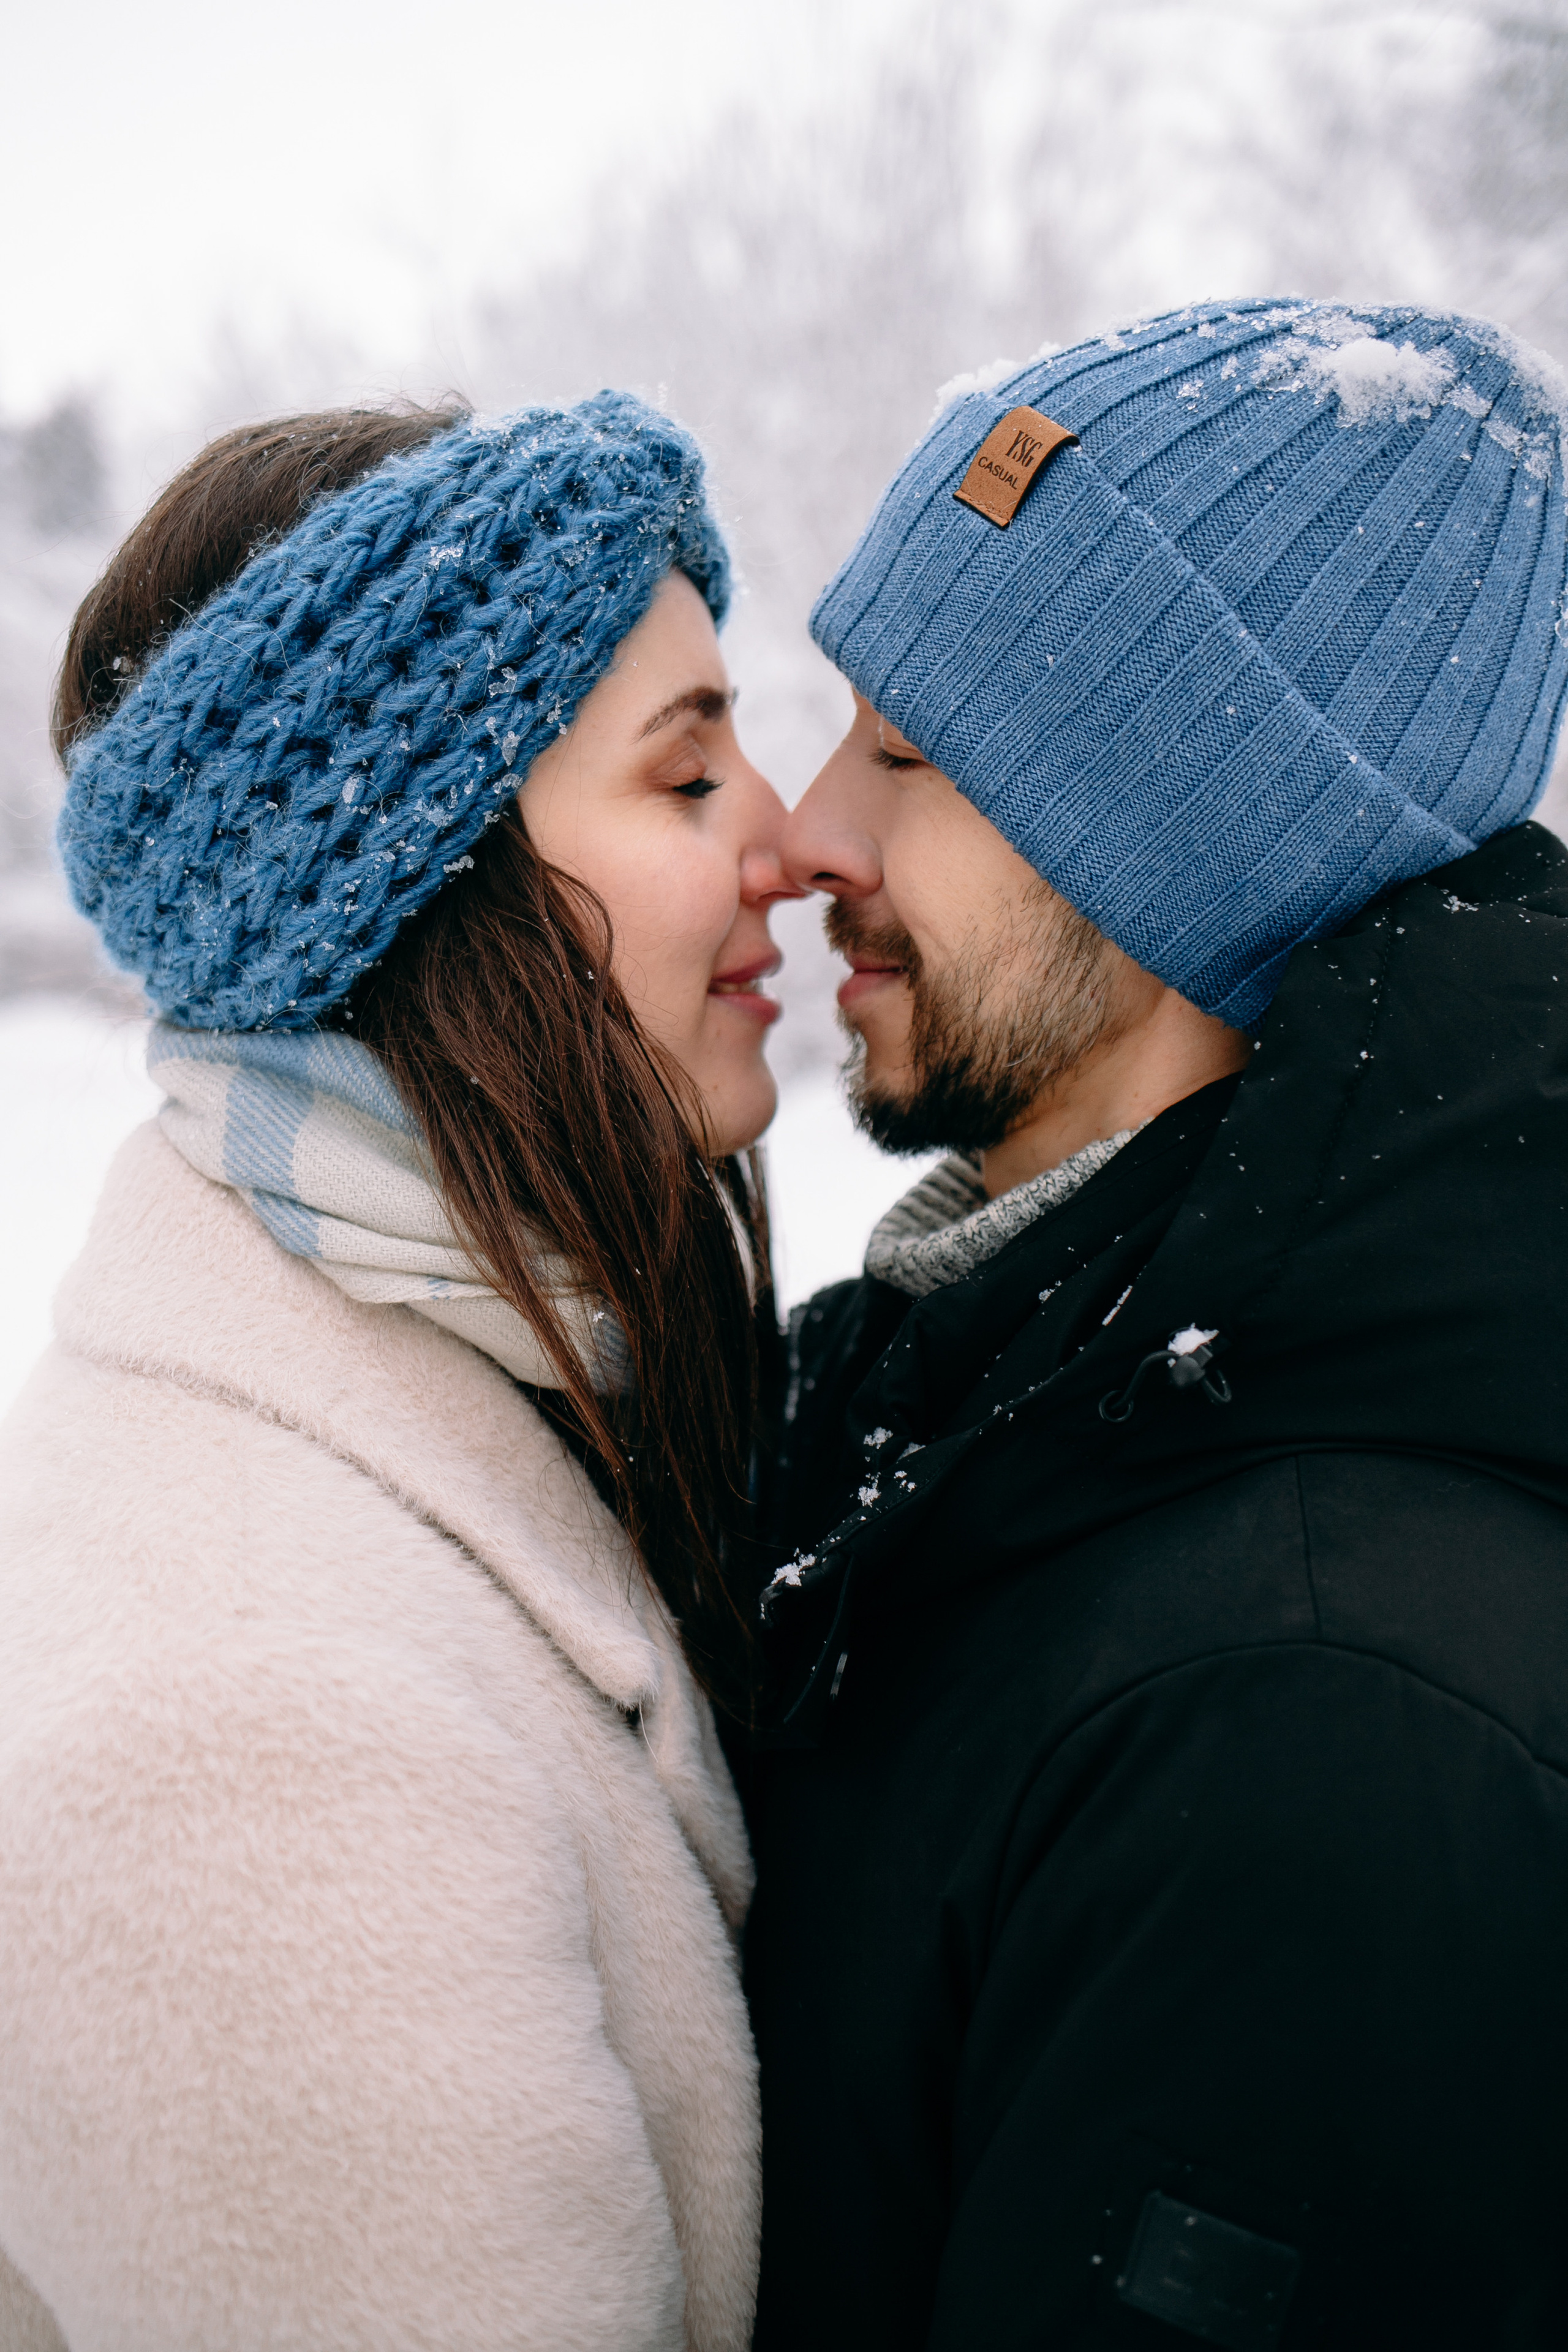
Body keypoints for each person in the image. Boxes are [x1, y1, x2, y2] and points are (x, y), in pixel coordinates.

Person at [746, 297, 1568, 2348]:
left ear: (1185, 855)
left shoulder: (1320, 1701)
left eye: (914, 757)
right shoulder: (1008, 1421)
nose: (807, 832)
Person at [0, 393, 797, 2351]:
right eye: (687, 783)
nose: (790, 838)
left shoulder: (493, 1375)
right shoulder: (243, 1747)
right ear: (431, 891)